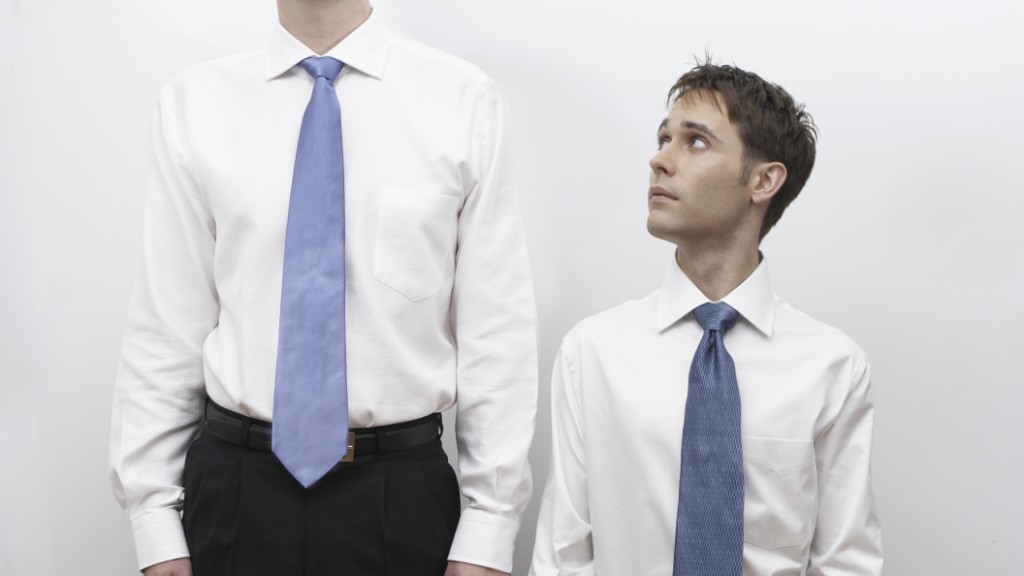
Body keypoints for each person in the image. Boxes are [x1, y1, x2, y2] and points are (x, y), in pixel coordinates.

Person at [109, 1, 537, 575]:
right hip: (236, 491)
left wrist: (489, 526)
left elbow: (497, 329)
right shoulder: (196, 102)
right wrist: (154, 521)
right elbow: (167, 323)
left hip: (399, 496)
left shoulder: (463, 101)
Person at [530, 61, 883, 575]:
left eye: (695, 142)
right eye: (664, 138)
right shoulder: (592, 353)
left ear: (763, 180)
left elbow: (846, 561)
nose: (659, 159)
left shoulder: (833, 366)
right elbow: (562, 556)